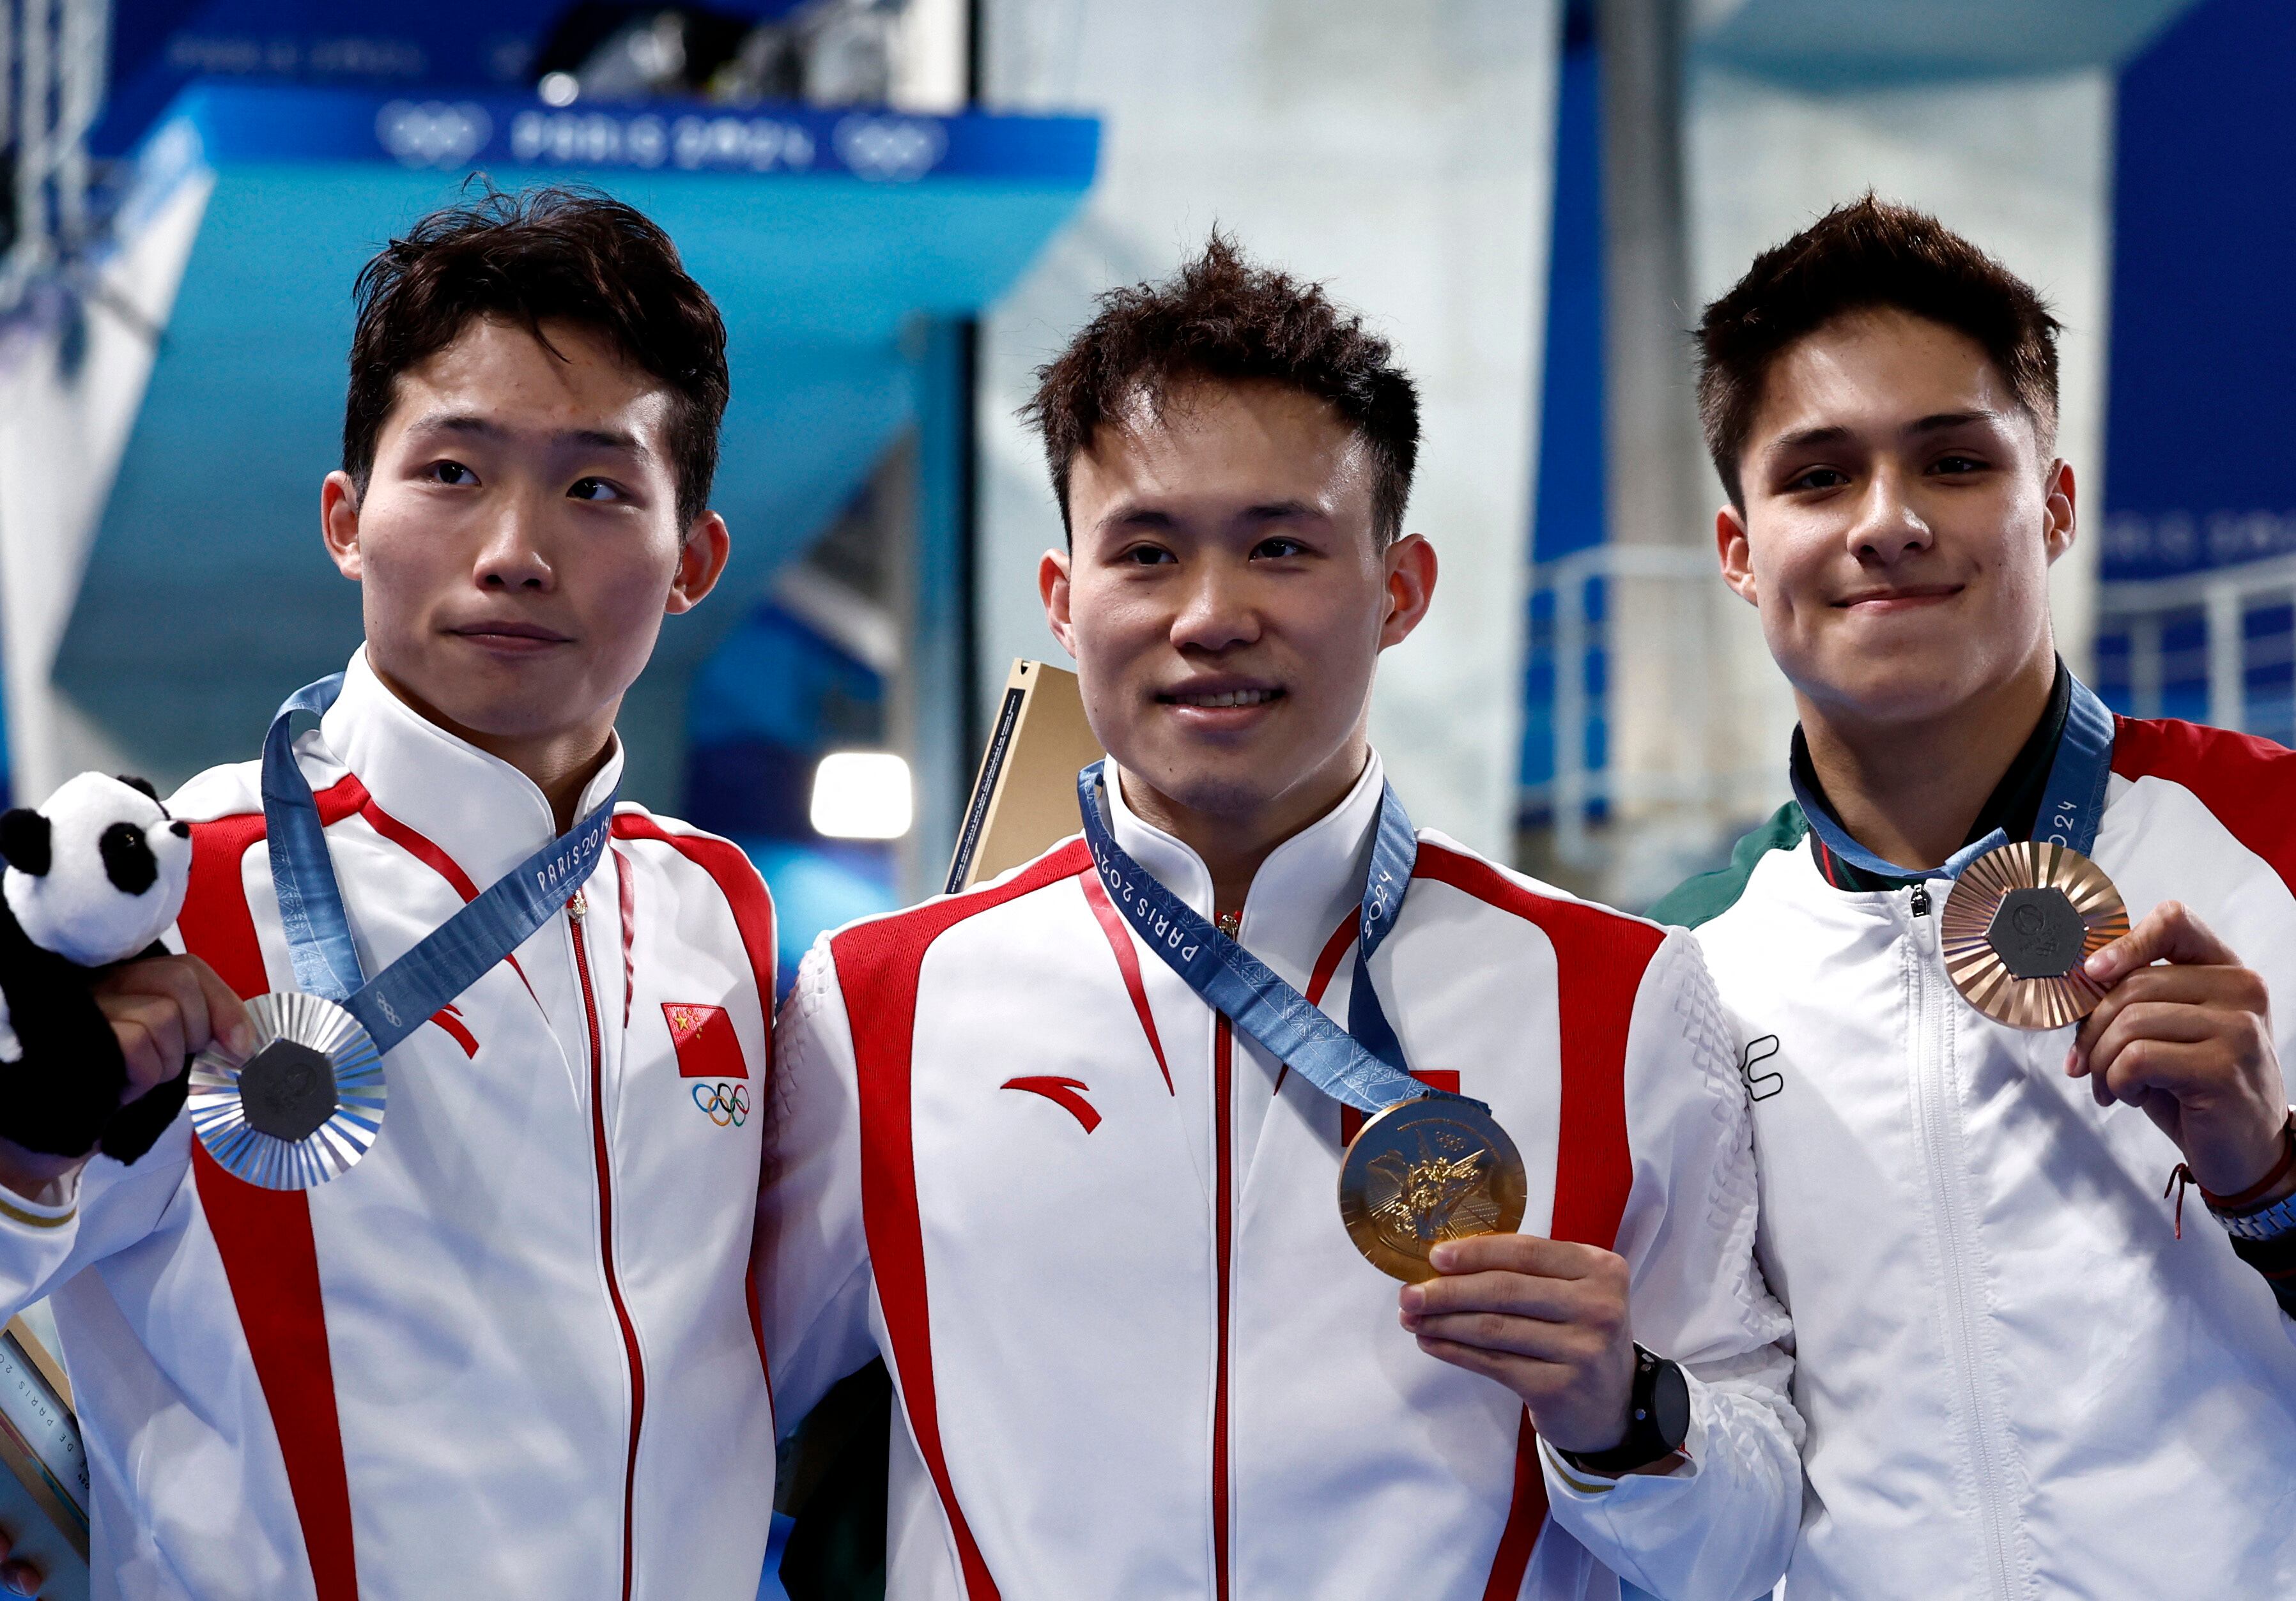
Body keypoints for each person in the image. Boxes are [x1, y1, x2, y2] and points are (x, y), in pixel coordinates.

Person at [759, 236, 1800, 1600]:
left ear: (1401, 588)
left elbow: (1751, 1541)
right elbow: (688, 1416)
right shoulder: (880, 1006)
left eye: (1281, 547)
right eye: (1147, 551)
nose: (1210, 615)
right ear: (1066, 602)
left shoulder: (1620, 992)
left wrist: (1631, 1408)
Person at [0, 188, 781, 1600]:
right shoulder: (167, 891)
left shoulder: (714, 907)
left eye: (599, 487)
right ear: (347, 518)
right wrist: (21, 1149)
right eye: (455, 472)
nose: (515, 550)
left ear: (696, 563)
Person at [1653, 197, 2296, 1598]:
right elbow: (1714, 1499)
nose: (1888, 524)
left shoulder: (2277, 840)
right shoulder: (1681, 965)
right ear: (1740, 549)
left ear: (2053, 503)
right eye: (1817, 477)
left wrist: (2273, 1177)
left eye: (1951, 460)